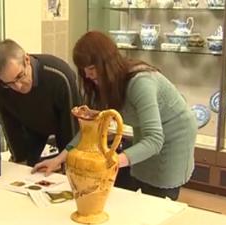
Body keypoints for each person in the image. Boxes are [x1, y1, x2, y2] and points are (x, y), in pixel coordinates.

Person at [32, 31, 197, 200]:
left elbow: (154, 140)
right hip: (148, 132)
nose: (87, 75)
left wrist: (111, 162)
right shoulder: (102, 82)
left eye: (91, 68)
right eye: (84, 70)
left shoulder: (141, 83)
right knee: (140, 181)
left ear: (107, 63)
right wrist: (59, 159)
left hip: (175, 134)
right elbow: (91, 128)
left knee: (159, 194)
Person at [0, 39, 80, 166]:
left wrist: (64, 161)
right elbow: (9, 124)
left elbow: (72, 128)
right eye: (9, 83)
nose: (18, 86)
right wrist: (20, 160)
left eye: (20, 76)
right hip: (30, 126)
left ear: (27, 60)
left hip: (63, 125)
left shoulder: (58, 75)